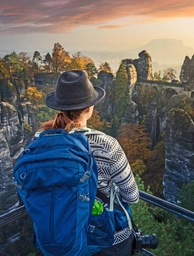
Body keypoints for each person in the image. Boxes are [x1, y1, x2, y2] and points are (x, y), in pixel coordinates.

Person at [39, 70, 139, 256]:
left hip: (60, 237)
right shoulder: (106, 145)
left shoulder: (40, 142)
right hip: (105, 239)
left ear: (59, 107)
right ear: (89, 108)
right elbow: (132, 195)